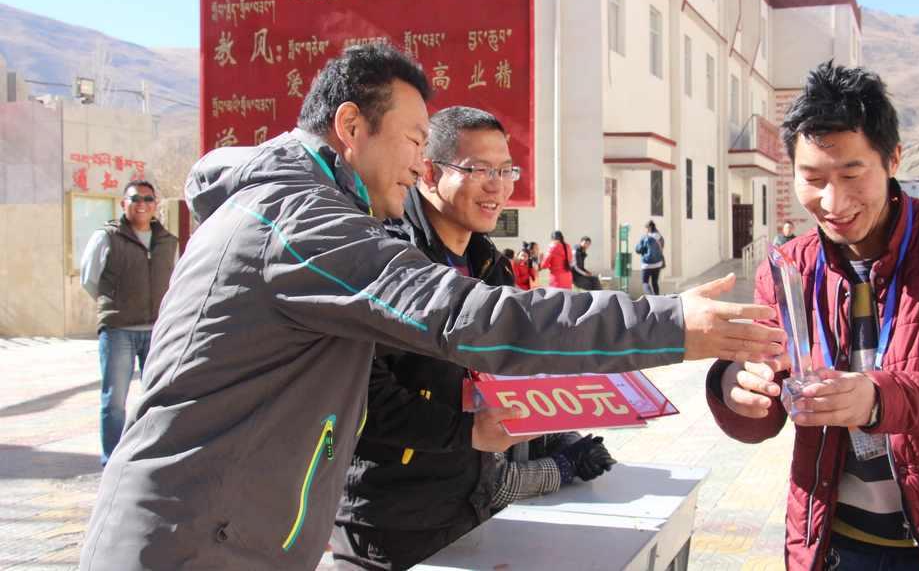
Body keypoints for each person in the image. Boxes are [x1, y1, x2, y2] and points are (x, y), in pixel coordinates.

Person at [79, 43, 786, 570]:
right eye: (417, 142)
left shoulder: (303, 209)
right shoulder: (300, 221)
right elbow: (468, 318)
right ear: (351, 126)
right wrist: (671, 324)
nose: (420, 166)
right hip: (196, 543)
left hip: (234, 536)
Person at [705, 62, 919, 571]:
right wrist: (733, 386)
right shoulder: (787, 267)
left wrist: (877, 398)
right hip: (831, 539)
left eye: (852, 174)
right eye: (812, 179)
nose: (833, 203)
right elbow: (762, 417)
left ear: (893, 158)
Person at [333, 106, 615, 570]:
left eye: (506, 170)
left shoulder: (492, 267)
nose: (498, 185)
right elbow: (364, 394)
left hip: (478, 508)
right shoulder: (388, 260)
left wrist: (559, 438)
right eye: (479, 169)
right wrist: (466, 432)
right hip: (395, 524)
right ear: (428, 173)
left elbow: (507, 376)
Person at [78, 181, 178, 466]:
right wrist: (114, 304)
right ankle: (111, 459)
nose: (141, 204)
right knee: (114, 401)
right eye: (135, 199)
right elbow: (90, 278)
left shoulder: (167, 241)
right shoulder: (107, 237)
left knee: (160, 396)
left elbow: (175, 281)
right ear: (124, 203)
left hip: (157, 331)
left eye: (148, 198)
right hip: (119, 330)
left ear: (155, 204)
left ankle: (154, 455)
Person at [635, 220, 665, 295]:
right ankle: (657, 297)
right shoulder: (660, 237)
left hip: (647, 264)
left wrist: (639, 244)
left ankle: (651, 295)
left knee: (645, 282)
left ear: (647, 229)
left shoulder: (645, 238)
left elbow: (638, 250)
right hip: (658, 263)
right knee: (655, 282)